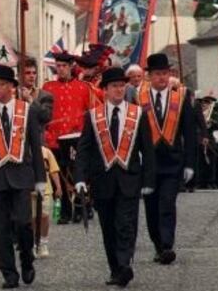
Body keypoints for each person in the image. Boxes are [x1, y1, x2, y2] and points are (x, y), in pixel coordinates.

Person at [74, 67, 156, 287]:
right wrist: (80, 178)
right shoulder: (93, 116)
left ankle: (125, 263)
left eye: (122, 85)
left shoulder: (138, 114)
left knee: (125, 224)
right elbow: (84, 149)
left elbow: (147, 149)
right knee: (108, 227)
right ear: (105, 90)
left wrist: (149, 181)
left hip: (130, 179)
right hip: (103, 180)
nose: (119, 90)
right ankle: (116, 269)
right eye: (114, 86)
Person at [0, 65, 45, 289]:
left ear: (12, 87)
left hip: (22, 176)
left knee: (23, 223)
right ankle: (9, 274)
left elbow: (35, 144)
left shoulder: (27, 110)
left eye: (1, 84)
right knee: (1, 230)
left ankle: (26, 259)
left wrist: (41, 178)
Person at [136, 53, 197, 265]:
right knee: (151, 208)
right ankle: (158, 245)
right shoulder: (138, 98)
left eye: (165, 73)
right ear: (149, 76)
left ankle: (167, 245)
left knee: (167, 204)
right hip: (148, 165)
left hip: (172, 162)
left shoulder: (180, 98)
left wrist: (189, 163)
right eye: (157, 74)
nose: (161, 78)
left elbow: (189, 133)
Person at [42, 51, 94, 224]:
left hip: (77, 139)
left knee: (78, 173)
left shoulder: (83, 87)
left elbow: (93, 111)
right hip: (55, 140)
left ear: (71, 66)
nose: (61, 69)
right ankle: (65, 209)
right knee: (60, 174)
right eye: (58, 66)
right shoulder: (48, 88)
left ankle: (81, 206)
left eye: (64, 66)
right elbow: (41, 114)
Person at [33, 145, 62, 258]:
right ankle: (34, 243)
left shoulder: (46, 152)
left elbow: (53, 170)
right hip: (28, 190)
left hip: (45, 189)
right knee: (32, 218)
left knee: (44, 216)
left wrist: (58, 186)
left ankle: (43, 242)